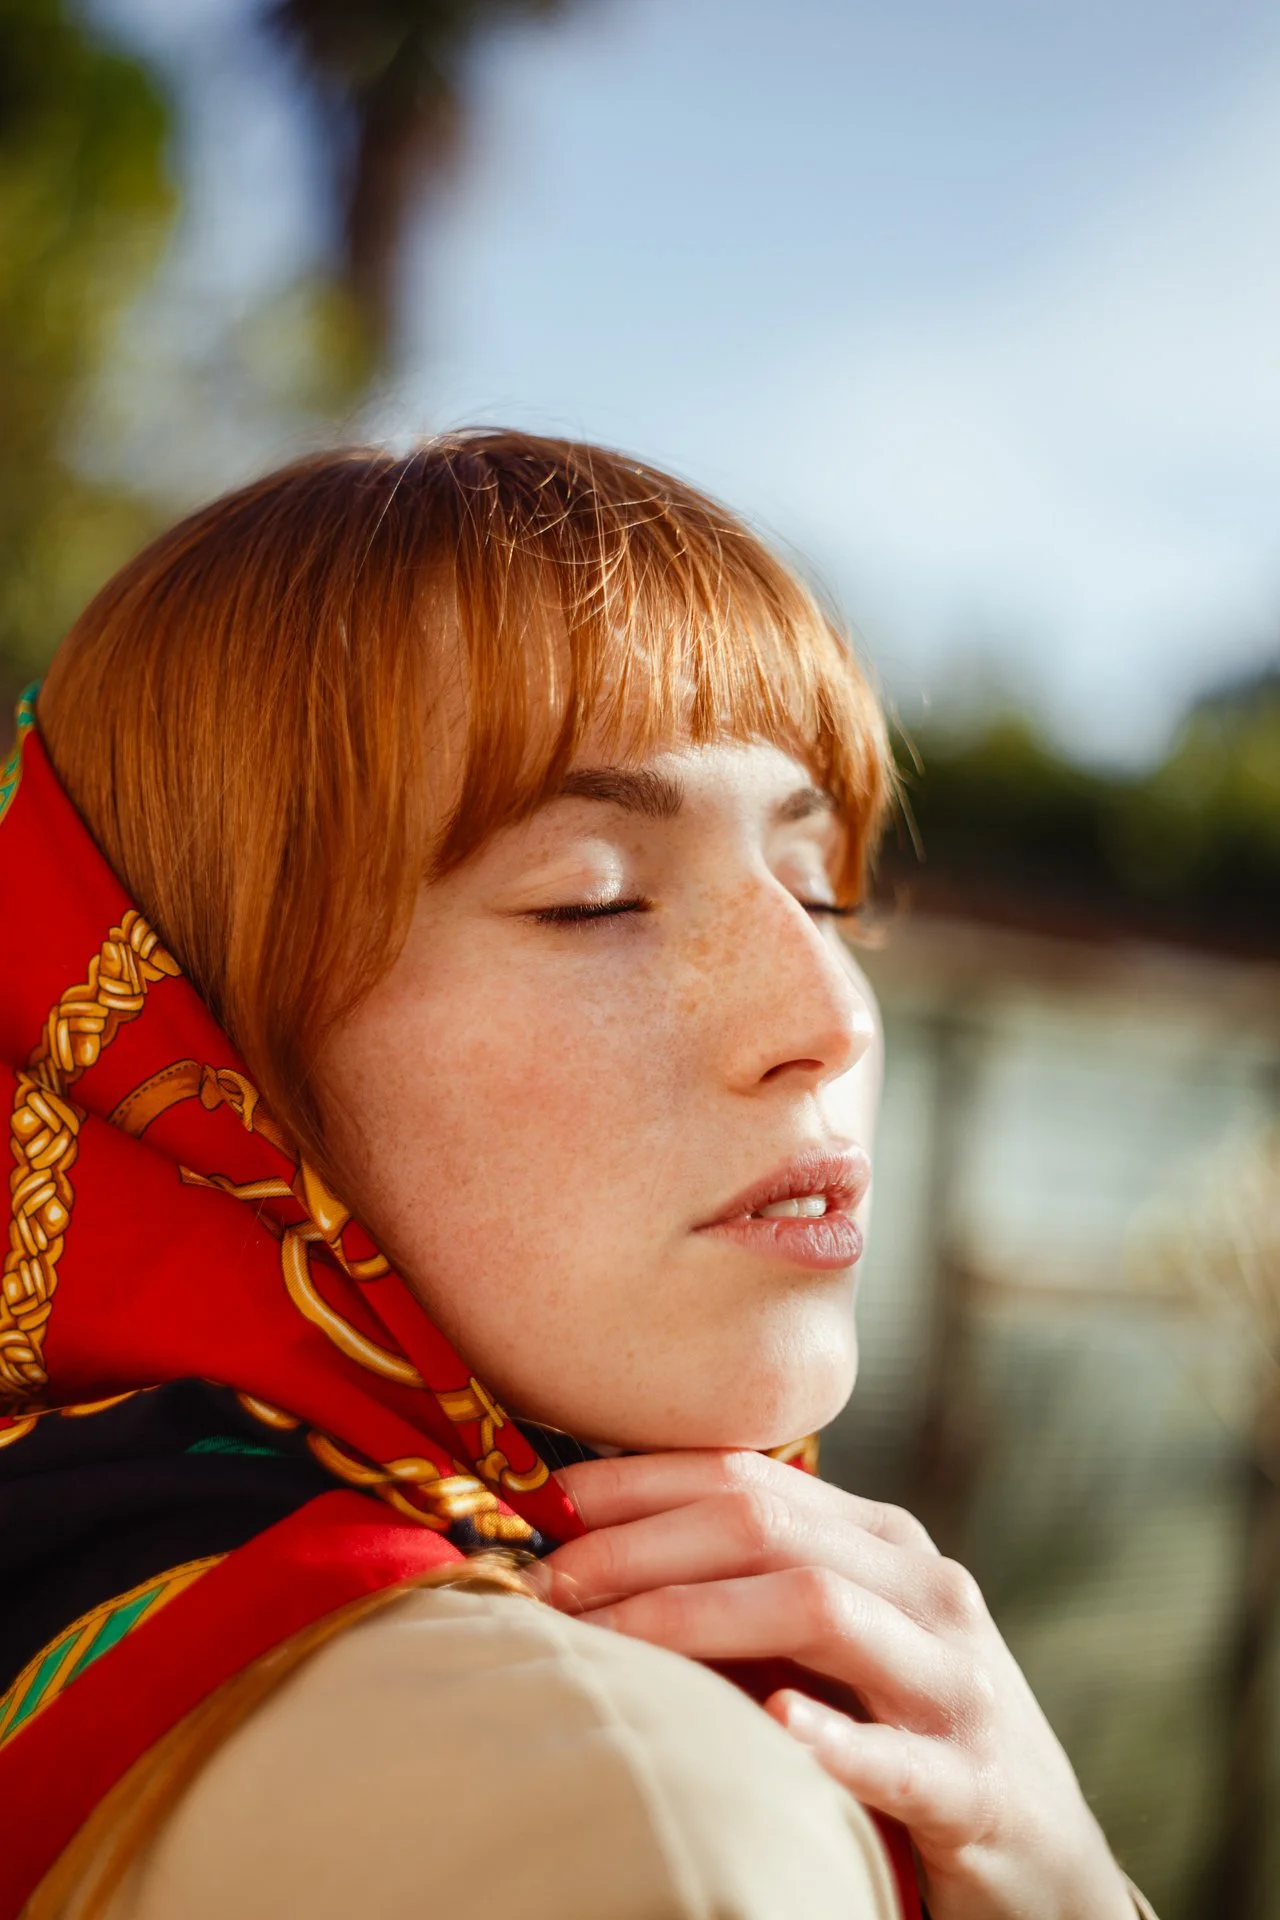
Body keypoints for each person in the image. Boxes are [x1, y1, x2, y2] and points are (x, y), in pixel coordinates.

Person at [0, 434, 1156, 1919]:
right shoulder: (633, 1808)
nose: (830, 1019)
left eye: (819, 892)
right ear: (192, 1043)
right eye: (592, 900)